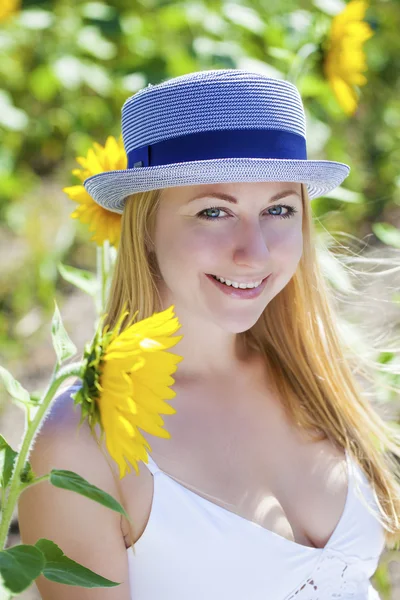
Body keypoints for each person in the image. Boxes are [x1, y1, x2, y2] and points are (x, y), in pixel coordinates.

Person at [19, 69, 400, 600]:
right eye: (214, 211)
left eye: (278, 209)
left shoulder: (316, 376)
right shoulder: (85, 439)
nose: (256, 251)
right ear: (146, 229)